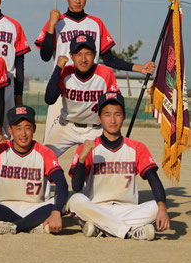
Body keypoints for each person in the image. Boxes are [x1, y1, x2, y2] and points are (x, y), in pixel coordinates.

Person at [35, 0, 155, 141]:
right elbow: (45, 55)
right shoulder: (58, 22)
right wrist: (51, 26)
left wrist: (138, 68)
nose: (77, 0)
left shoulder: (96, 23)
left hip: (90, 89)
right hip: (62, 87)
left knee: (97, 150)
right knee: (49, 148)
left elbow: (109, 59)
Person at [68, 92, 170, 240]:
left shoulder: (137, 147)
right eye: (107, 114)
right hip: (98, 207)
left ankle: (101, 228)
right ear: (99, 118)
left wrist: (162, 208)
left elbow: (153, 179)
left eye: (117, 114)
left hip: (128, 210)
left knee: (156, 206)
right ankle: (130, 232)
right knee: (75, 200)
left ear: (124, 116)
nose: (113, 120)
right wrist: (82, 158)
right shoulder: (89, 147)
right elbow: (76, 186)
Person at [0, 106, 68, 235]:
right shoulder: (1, 150)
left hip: (35, 208)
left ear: (34, 128)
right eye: (18, 128)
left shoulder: (44, 152)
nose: (23, 133)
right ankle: (32, 225)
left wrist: (56, 211)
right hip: (3, 207)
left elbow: (62, 183)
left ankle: (13, 227)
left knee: (66, 202)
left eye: (27, 127)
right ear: (10, 130)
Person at [44, 34, 119, 157]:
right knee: (43, 160)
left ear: (95, 55)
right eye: (78, 54)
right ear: (71, 56)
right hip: (66, 126)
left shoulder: (106, 73)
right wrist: (58, 68)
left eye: (88, 54)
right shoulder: (65, 72)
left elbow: (115, 106)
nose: (83, 59)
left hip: (95, 130)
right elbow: (49, 99)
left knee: (107, 164)